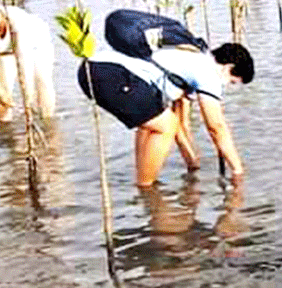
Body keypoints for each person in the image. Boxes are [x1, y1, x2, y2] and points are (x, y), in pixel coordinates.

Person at [77, 30, 254, 187]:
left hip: (92, 67)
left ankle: (142, 181)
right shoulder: (209, 73)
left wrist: (192, 164)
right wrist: (238, 171)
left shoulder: (193, 56)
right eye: (232, 81)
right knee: (165, 126)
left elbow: (182, 123)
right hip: (110, 73)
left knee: (155, 122)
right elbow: (216, 128)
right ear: (229, 68)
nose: (227, 85)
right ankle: (146, 189)